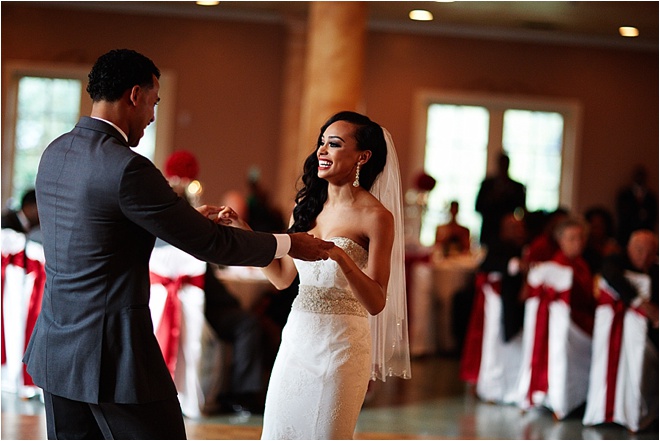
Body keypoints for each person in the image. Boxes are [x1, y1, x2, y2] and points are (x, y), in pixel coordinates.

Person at [22, 48, 333, 440]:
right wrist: (288, 244)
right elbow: (211, 244)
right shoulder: (127, 167)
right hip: (114, 356)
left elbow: (95, 234)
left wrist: (180, 219)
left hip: (56, 347)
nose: (152, 115)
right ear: (134, 95)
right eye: (153, 102)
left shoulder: (54, 152)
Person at [224, 111, 411, 439]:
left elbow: (377, 301)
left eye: (334, 144)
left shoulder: (377, 217)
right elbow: (282, 278)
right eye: (321, 143)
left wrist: (340, 256)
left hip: (342, 348)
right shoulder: (306, 208)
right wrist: (247, 234)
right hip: (297, 341)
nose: (322, 151)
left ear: (362, 157)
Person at [601, 229, 659, 348]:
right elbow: (611, 276)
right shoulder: (615, 262)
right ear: (629, 247)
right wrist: (640, 302)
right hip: (621, 333)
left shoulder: (655, 270)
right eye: (639, 250)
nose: (644, 257)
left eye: (650, 253)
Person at [475, 153, 526, 250]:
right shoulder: (487, 185)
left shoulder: (516, 187)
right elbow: (478, 206)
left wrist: (512, 226)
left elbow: (521, 210)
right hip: (489, 231)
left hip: (510, 236)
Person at [616, 165, 658, 248]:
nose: (640, 178)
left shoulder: (651, 197)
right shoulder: (624, 194)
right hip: (626, 233)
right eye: (638, 175)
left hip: (646, 231)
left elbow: (654, 215)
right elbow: (622, 213)